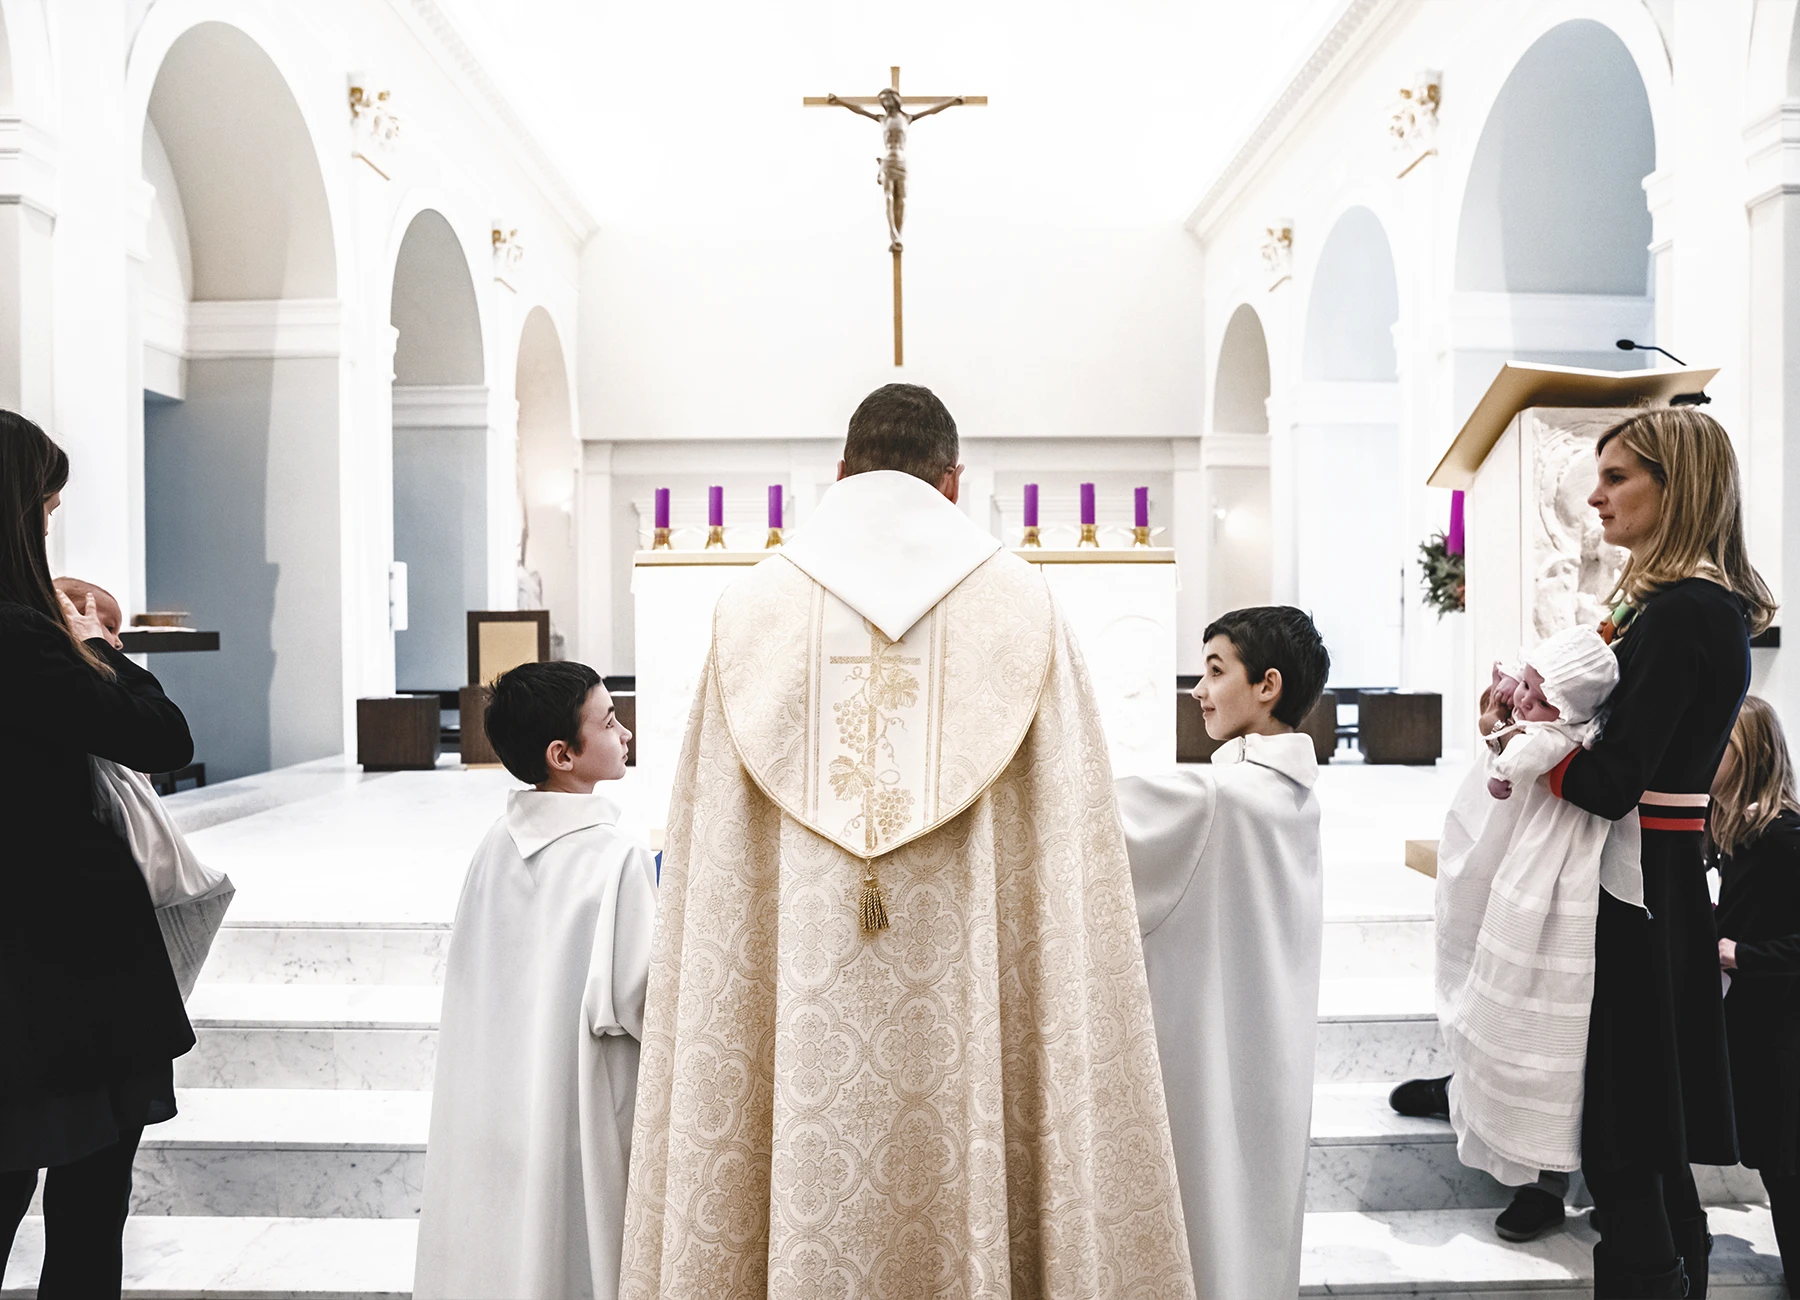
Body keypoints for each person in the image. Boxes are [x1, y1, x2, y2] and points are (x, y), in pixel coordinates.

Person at [619, 383, 1194, 1297]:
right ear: (952, 481)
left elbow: (713, 865)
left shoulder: (752, 613)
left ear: (839, 473)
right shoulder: (1025, 609)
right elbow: (1072, 838)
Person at [1551, 408, 1770, 1297]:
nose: (1596, 499)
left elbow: (1610, 783)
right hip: (1663, 878)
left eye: (1617, 478)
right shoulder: (1687, 609)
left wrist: (1525, 748)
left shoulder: (1683, 614)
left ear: (1677, 489)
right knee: (1652, 1134)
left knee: (1624, 1136)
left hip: (1641, 889)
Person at [0, 410, 196, 1298]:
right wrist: (97, 648)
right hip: (60, 966)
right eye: (44, 507)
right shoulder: (23, 638)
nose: (49, 525)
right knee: (84, 1220)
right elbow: (160, 737)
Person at [414, 661, 655, 1300]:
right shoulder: (618, 855)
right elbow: (644, 1000)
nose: (624, 733)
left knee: (497, 1251)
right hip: (577, 1101)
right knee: (569, 1250)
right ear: (562, 755)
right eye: (608, 722)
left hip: (494, 1099)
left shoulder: (497, 842)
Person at [1113, 606, 1330, 1300]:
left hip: (1213, 1049)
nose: (1199, 692)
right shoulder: (1289, 792)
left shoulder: (1220, 795)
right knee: (1258, 1228)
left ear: (1267, 685)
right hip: (1272, 1050)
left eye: (1214, 671)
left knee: (1210, 1224)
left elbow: (1091, 821)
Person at [1434, 627, 1624, 1192]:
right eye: (1528, 687)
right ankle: (1463, 1084)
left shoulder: (1557, 733)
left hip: (1548, 864)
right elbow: (1519, 731)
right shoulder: (1540, 712)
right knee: (1468, 953)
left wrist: (1504, 738)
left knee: (1526, 999)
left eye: (1539, 699)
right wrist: (1508, 713)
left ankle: (1539, 1176)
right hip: (1511, 843)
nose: (1524, 701)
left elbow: (1530, 755)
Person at [1710, 696, 1800, 1292]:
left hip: (1783, 1032)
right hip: (1754, 1026)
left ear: (1751, 756)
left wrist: (1736, 953)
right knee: (1773, 1161)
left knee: (1788, 1166)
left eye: (1719, 743)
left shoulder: (1785, 835)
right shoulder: (1735, 831)